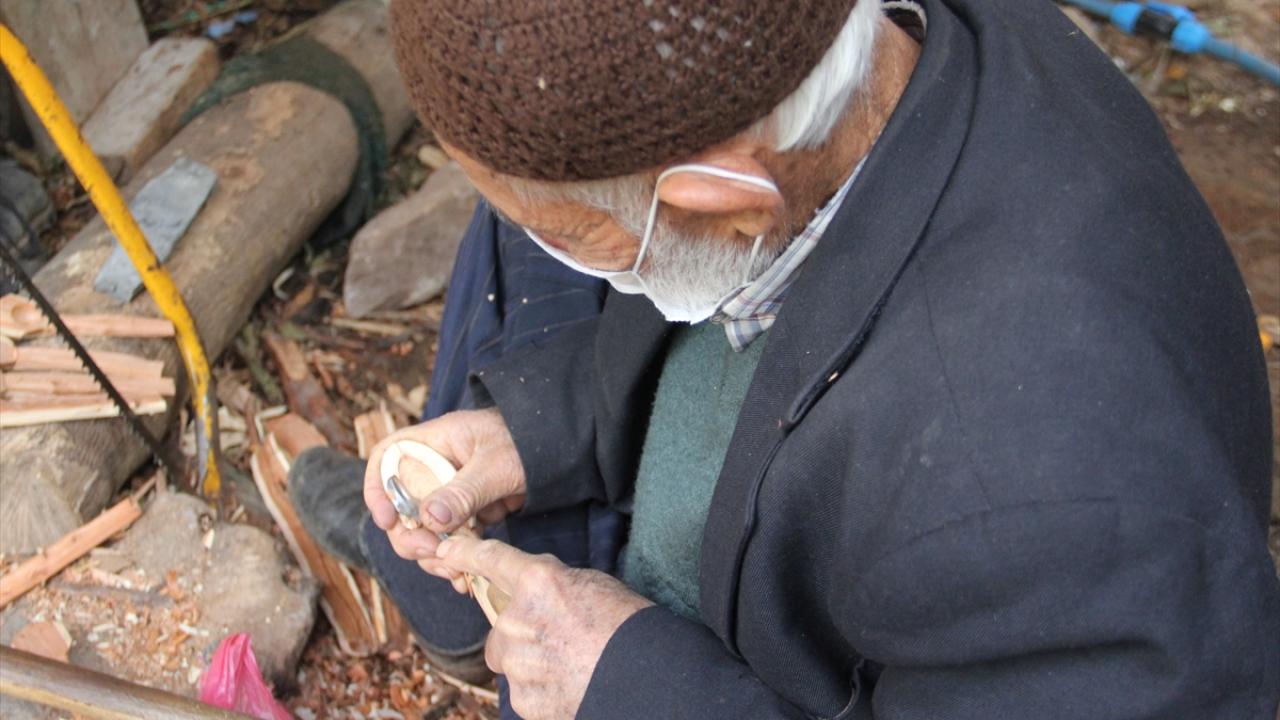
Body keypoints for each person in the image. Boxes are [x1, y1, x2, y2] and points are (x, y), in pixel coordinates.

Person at [363, 0, 1280, 718]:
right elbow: (695, 277)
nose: (545, 244)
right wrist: (547, 424)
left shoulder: (1042, 515)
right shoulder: (856, 49)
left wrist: (633, 686)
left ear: (729, 200)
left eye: (564, 233)